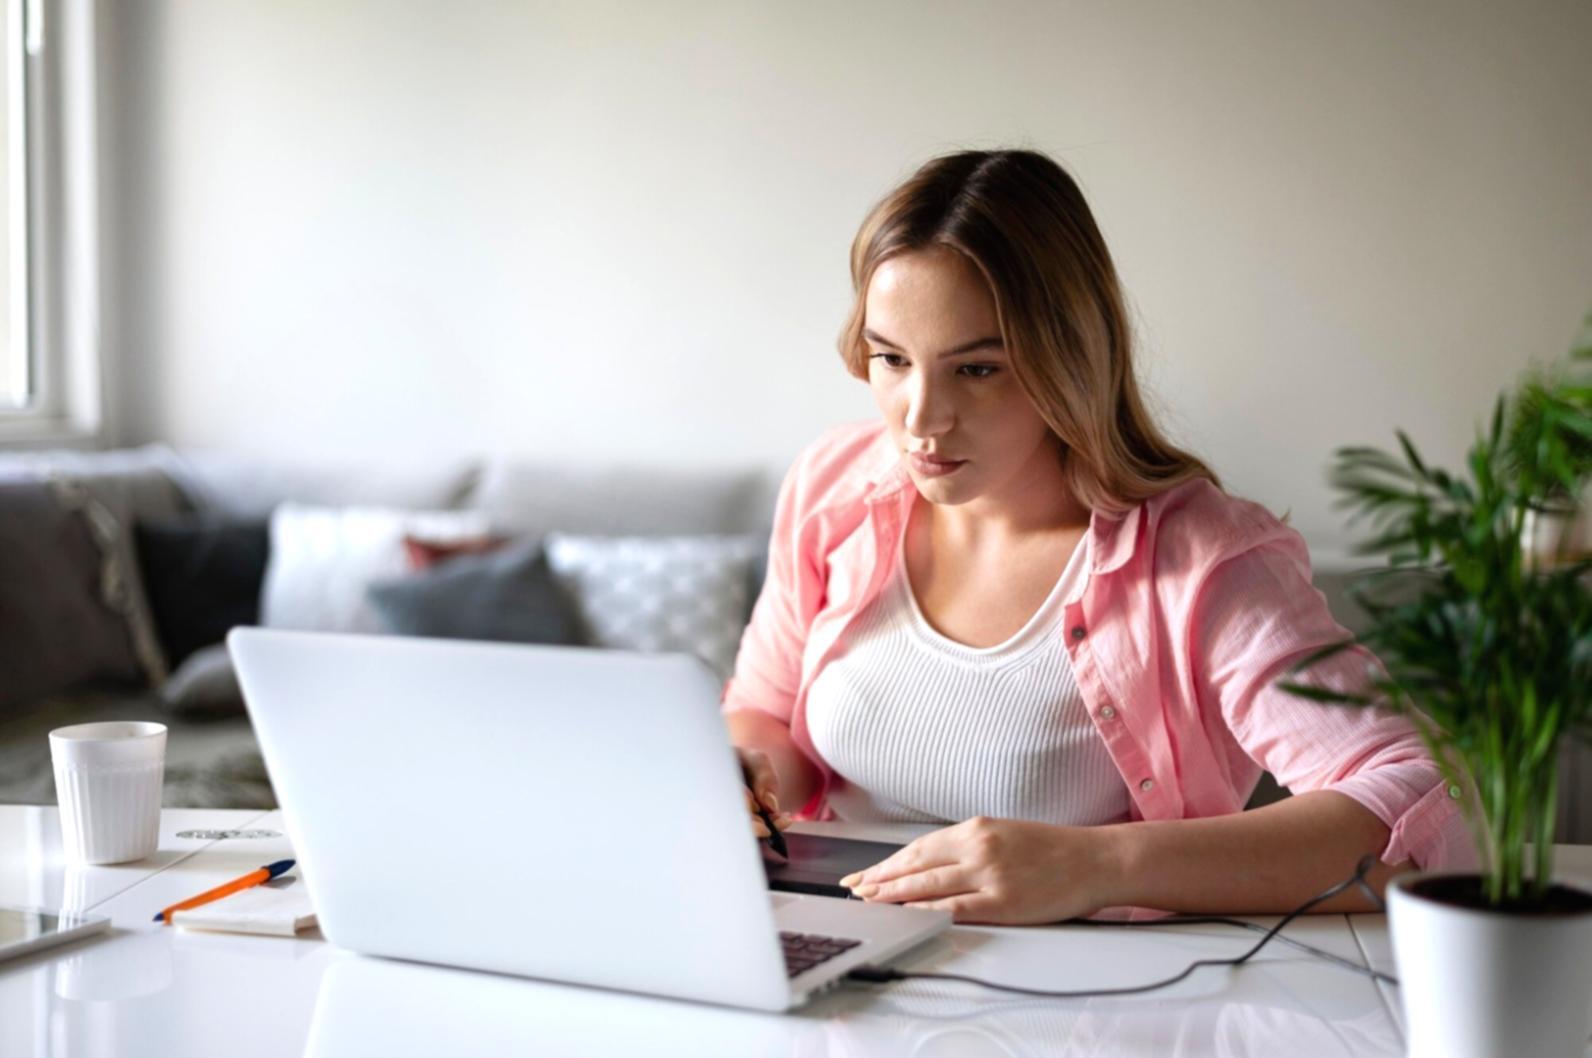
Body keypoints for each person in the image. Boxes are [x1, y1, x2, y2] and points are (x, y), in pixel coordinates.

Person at [720, 148, 1472, 925]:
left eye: (977, 370)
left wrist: (1098, 867)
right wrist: (745, 774)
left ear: (1066, 357)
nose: (920, 417)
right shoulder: (833, 485)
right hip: (838, 949)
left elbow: (1427, 804)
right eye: (890, 359)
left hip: (1081, 1003)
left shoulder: (1201, 560)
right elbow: (763, 710)